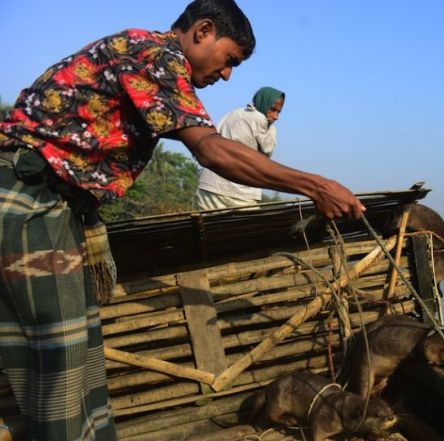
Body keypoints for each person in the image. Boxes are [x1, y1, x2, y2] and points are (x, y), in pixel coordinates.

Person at [0, 1, 364, 440]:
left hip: (57, 209)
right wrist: (316, 186)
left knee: (82, 354)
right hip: (27, 199)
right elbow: (211, 150)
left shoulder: (156, 62)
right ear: (203, 31)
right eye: (229, 60)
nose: (227, 75)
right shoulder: (151, 54)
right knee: (56, 361)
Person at [196, 86, 285, 209]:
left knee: (209, 227)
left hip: (209, 186)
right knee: (252, 227)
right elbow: (268, 150)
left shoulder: (233, 113)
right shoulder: (259, 118)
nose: (276, 117)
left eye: (279, 112)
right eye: (273, 110)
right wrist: (271, 130)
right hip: (238, 192)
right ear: (263, 103)